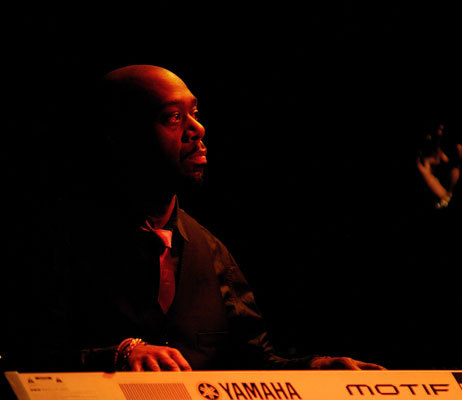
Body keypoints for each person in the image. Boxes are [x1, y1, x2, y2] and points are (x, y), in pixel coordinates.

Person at [54, 64, 384, 373]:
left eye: (194, 113)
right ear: (119, 136)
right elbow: (31, 353)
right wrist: (117, 355)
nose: (197, 129)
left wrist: (316, 369)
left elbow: (252, 363)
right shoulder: (63, 239)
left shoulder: (210, 251)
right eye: (173, 117)